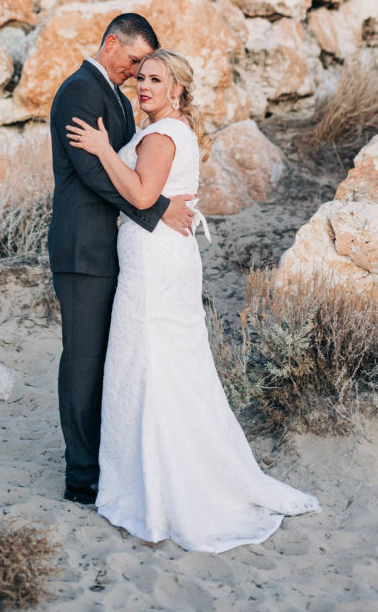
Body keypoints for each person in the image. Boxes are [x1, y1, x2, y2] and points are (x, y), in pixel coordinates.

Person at [67, 48, 320, 552]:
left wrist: (100, 148)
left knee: (153, 362)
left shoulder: (162, 133)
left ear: (177, 89)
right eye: (141, 78)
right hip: (159, 257)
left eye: (156, 80)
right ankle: (156, 470)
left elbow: (140, 196)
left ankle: (163, 485)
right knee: (160, 361)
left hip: (155, 263)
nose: (144, 86)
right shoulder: (171, 128)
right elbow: (153, 198)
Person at [48, 15, 194, 506]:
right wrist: (156, 208)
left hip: (114, 252)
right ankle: (81, 479)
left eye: (147, 69)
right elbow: (93, 170)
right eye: (134, 61)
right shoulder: (79, 91)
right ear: (111, 44)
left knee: (113, 362)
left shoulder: (114, 96)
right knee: (84, 363)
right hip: (82, 250)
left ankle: (112, 463)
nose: (136, 73)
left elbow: (131, 163)